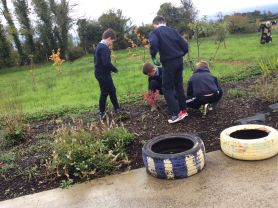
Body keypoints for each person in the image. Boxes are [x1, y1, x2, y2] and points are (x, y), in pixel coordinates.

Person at [149, 15, 189, 124]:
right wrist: (180, 55)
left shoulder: (155, 32)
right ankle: (183, 111)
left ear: (155, 24)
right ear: (164, 22)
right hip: (179, 60)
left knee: (167, 88)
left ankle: (175, 114)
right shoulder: (173, 31)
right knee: (179, 85)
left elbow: (153, 44)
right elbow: (185, 46)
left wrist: (153, 55)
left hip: (168, 62)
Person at [94, 28, 119, 120]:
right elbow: (106, 63)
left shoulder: (99, 46)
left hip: (99, 73)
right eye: (112, 41)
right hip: (103, 74)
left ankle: (117, 108)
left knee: (112, 90)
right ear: (109, 38)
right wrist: (114, 69)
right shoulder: (104, 48)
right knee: (105, 92)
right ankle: (101, 113)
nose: (112, 43)